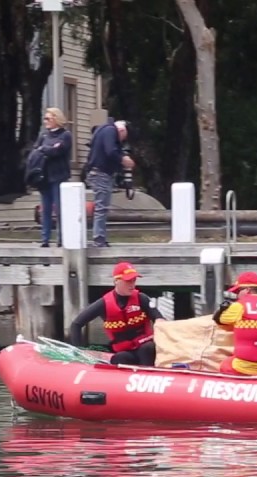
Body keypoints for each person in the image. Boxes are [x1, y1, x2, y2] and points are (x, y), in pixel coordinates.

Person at [68, 261, 162, 366]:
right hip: (125, 351)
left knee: (147, 348)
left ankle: (148, 375)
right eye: (128, 281)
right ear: (116, 281)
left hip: (145, 347)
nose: (132, 285)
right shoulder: (103, 303)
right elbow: (76, 324)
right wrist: (79, 352)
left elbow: (160, 319)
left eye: (134, 280)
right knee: (121, 358)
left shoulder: (142, 298)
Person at [83, 118, 134, 248]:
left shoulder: (103, 130)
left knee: (102, 206)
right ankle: (99, 239)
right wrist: (123, 159)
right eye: (123, 138)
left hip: (97, 172)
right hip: (101, 173)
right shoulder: (110, 131)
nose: (121, 141)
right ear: (122, 130)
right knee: (101, 207)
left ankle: (100, 238)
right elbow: (111, 151)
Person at [32, 107, 73, 248]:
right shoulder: (43, 135)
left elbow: (59, 151)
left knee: (60, 209)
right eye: (45, 119)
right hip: (44, 176)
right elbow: (36, 150)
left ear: (56, 119)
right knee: (46, 208)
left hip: (59, 176)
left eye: (48, 118)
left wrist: (46, 149)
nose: (46, 122)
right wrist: (48, 149)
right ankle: (45, 239)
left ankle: (61, 238)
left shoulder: (65, 135)